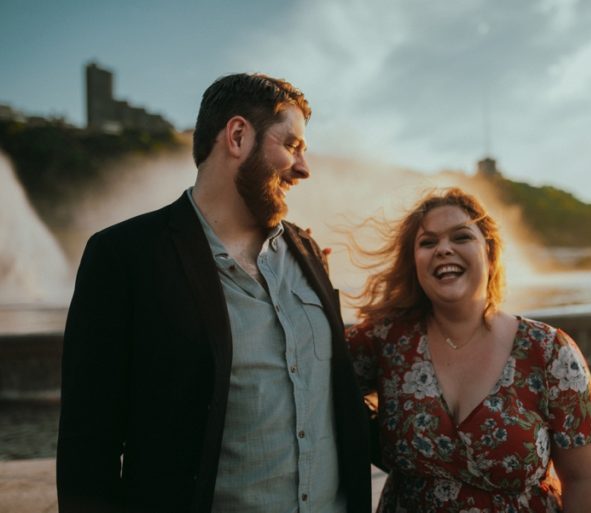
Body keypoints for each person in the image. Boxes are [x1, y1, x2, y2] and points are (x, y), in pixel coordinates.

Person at [57, 73, 371, 513]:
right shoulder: (124, 255)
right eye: (293, 146)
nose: (305, 168)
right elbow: (88, 444)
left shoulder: (309, 252)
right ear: (238, 136)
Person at [346, 188, 591, 513]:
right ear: (414, 262)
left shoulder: (549, 352)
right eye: (428, 243)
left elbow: (585, 480)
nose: (443, 249)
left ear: (490, 251)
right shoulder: (385, 342)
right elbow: (308, 373)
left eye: (461, 237)